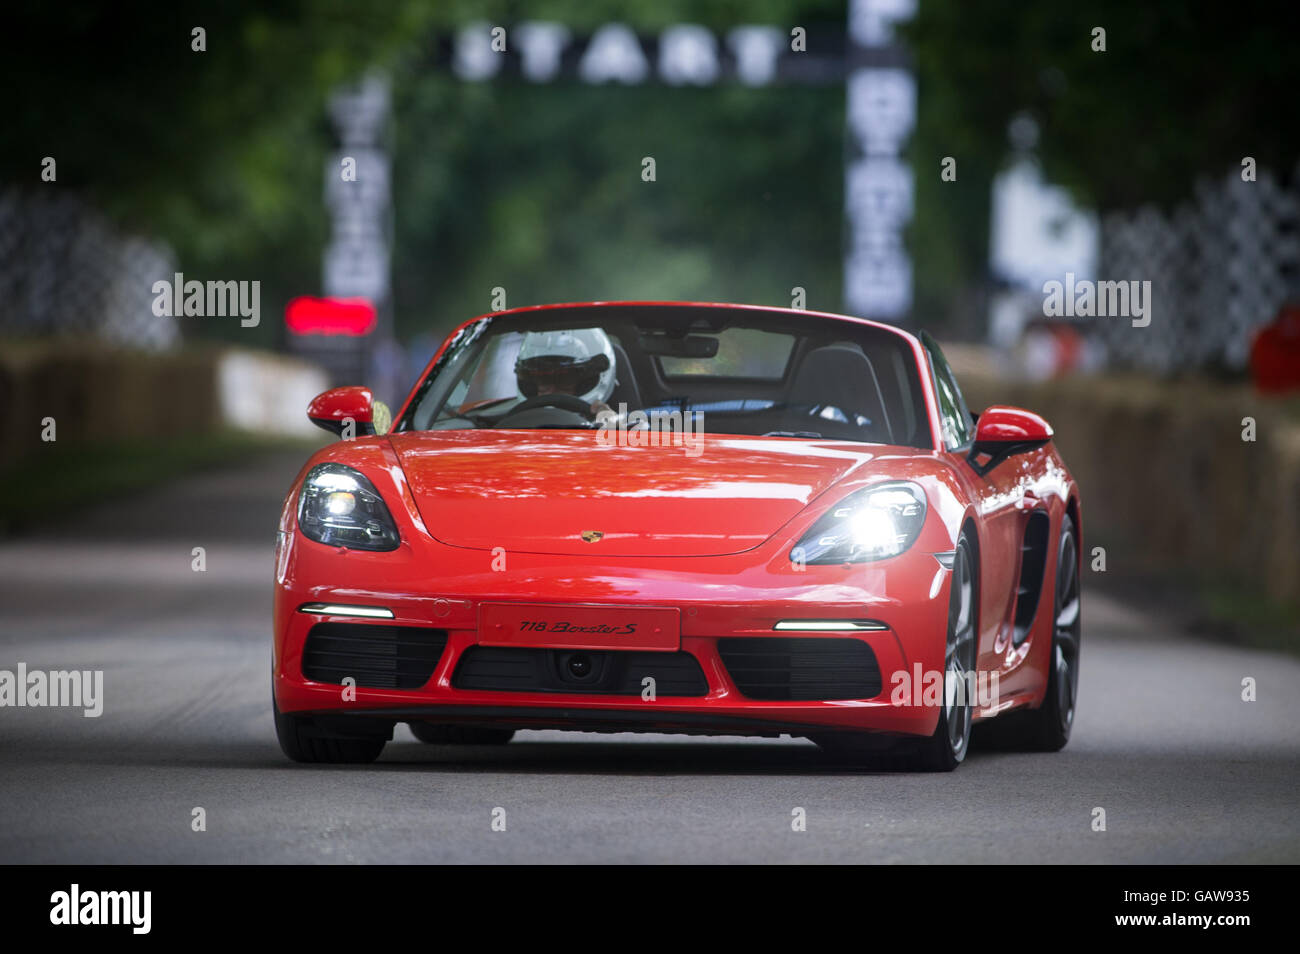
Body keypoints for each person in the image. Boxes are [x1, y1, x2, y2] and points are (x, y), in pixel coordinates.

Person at [513, 328, 619, 422]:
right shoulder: (511, 426)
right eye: (543, 380)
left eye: (563, 379)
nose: (552, 392)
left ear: (586, 381)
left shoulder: (618, 425)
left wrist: (611, 427)